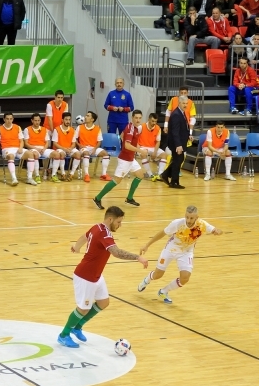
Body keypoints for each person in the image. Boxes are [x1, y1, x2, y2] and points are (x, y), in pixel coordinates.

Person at [57, 206, 148, 348]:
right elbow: (116, 253)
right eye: (118, 222)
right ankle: (63, 335)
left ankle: (77, 327)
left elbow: (84, 236)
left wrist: (77, 247)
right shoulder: (104, 234)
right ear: (110, 219)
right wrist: (137, 257)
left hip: (96, 275)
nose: (120, 225)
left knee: (103, 302)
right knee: (83, 309)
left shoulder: (97, 227)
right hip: (85, 276)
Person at [137, 205, 223, 303]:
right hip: (171, 249)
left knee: (185, 278)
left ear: (197, 217)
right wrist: (147, 245)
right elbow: (163, 233)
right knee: (158, 275)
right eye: (187, 217)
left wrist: (218, 231)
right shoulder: (177, 223)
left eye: (191, 218)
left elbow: (218, 230)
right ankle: (146, 280)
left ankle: (164, 291)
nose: (189, 220)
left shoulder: (202, 224)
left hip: (186, 252)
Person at [93, 110, 145, 209]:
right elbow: (127, 145)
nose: (138, 120)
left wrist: (138, 148)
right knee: (117, 181)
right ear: (132, 118)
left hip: (131, 159)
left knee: (140, 175)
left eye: (139, 118)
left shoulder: (136, 128)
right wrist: (140, 151)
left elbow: (122, 136)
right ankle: (98, 198)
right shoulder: (130, 129)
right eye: (136, 118)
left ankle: (129, 198)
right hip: (125, 160)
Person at [72, 110, 110, 182]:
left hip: (93, 147)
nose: (85, 117)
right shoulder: (80, 127)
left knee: (106, 154)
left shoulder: (97, 128)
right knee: (86, 153)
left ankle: (104, 174)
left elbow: (99, 141)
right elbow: (74, 139)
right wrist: (80, 145)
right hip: (84, 148)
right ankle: (86, 174)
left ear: (92, 119)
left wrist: (95, 149)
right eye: (86, 115)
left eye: (88, 116)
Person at [160, 94, 188, 189]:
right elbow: (175, 131)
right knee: (177, 160)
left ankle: (166, 174)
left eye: (186, 103)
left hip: (179, 142)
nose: (185, 105)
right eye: (183, 103)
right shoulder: (176, 114)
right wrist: (178, 145)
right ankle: (174, 182)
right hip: (176, 143)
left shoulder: (181, 113)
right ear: (179, 103)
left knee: (178, 160)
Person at [0, 112, 25, 187]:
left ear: (13, 119)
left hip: (17, 148)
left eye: (11, 119)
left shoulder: (18, 127)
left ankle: (30, 178)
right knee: (11, 156)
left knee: (31, 154)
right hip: (6, 149)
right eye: (7, 119)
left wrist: (20, 148)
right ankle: (14, 178)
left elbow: (21, 141)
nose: (9, 120)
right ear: (4, 119)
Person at [21, 113, 50, 185]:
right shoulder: (27, 129)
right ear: (32, 121)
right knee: (35, 154)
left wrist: (44, 149)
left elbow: (47, 142)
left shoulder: (44, 129)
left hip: (43, 148)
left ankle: (54, 175)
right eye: (35, 120)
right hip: (32, 148)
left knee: (57, 154)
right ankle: (37, 175)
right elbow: (26, 143)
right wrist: (36, 148)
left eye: (38, 120)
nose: (37, 122)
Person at [48, 112, 76, 182]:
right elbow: (54, 143)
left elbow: (74, 143)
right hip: (59, 149)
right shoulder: (56, 129)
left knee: (78, 154)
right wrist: (64, 149)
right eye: (66, 119)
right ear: (62, 120)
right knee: (62, 154)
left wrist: (71, 148)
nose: (68, 121)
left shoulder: (72, 130)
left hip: (69, 149)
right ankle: (63, 173)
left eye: (69, 120)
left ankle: (71, 174)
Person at [137, 112, 164, 180]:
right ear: (148, 120)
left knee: (164, 155)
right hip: (142, 147)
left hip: (152, 147)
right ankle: (150, 174)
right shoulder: (141, 127)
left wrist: (155, 152)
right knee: (144, 154)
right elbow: (135, 139)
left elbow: (158, 142)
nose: (154, 123)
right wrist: (138, 149)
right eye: (152, 121)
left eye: (155, 121)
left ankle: (160, 174)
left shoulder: (158, 128)